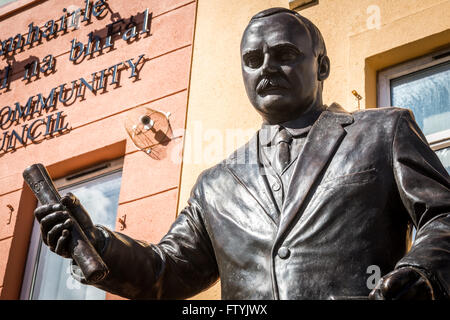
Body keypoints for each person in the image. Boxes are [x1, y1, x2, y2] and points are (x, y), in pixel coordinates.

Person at [33, 8, 450, 300]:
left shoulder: (382, 131)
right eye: (253, 59)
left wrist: (422, 272)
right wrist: (95, 242)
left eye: (284, 54)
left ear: (321, 67)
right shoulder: (215, 184)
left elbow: (443, 216)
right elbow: (166, 272)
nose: (266, 67)